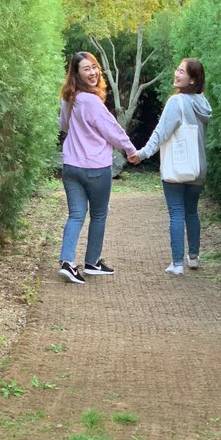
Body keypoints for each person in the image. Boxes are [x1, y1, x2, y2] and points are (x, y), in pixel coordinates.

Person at [58, 51, 137, 284]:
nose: (93, 72)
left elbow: (63, 125)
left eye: (94, 67)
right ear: (77, 74)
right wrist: (130, 149)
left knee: (76, 215)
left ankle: (67, 262)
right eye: (86, 69)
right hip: (95, 168)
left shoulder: (69, 97)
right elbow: (111, 129)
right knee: (99, 213)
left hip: (71, 166)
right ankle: (92, 262)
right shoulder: (91, 101)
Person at [130, 59, 211, 275]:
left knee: (176, 212)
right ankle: (193, 257)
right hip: (198, 167)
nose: (176, 74)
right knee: (191, 212)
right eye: (177, 69)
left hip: (178, 167)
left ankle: (177, 263)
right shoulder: (203, 103)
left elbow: (161, 133)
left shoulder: (177, 102)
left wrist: (142, 154)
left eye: (181, 72)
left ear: (192, 79)